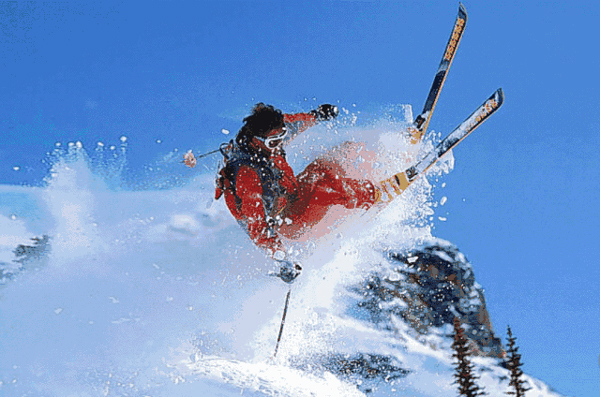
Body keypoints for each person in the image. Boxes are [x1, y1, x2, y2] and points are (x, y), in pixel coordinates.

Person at [185, 103, 378, 283]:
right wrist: (283, 259)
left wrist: (317, 115)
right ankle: (374, 195)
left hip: (291, 194)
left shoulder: (270, 134)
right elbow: (256, 226)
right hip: (290, 220)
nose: (279, 144)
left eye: (281, 137)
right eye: (273, 142)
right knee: (323, 189)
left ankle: (382, 156)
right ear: (257, 141)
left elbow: (294, 123)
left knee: (329, 162)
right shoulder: (247, 175)